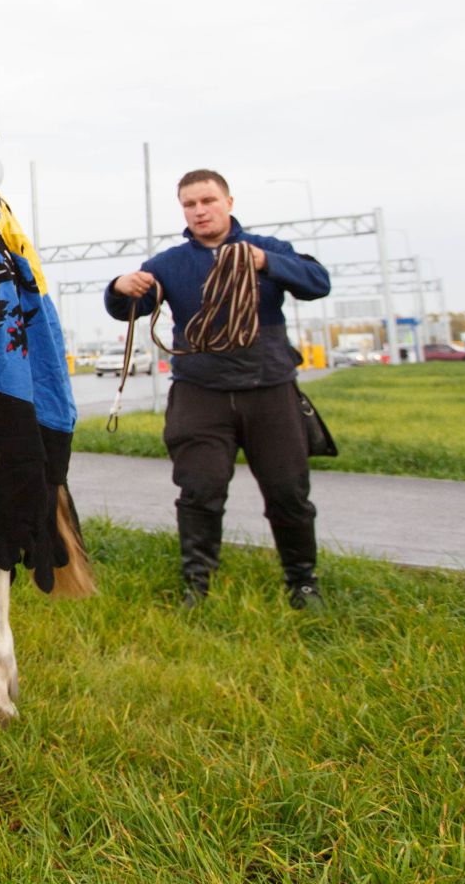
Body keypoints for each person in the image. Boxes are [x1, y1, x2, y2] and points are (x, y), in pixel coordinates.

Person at [106, 169, 332, 608]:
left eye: (207, 200)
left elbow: (317, 283)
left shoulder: (267, 250)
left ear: (228, 202)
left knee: (288, 491)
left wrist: (267, 264)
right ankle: (197, 585)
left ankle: (303, 582)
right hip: (200, 391)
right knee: (200, 489)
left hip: (268, 386)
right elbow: (128, 310)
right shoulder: (169, 264)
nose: (199, 210)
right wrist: (119, 288)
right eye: (190, 204)